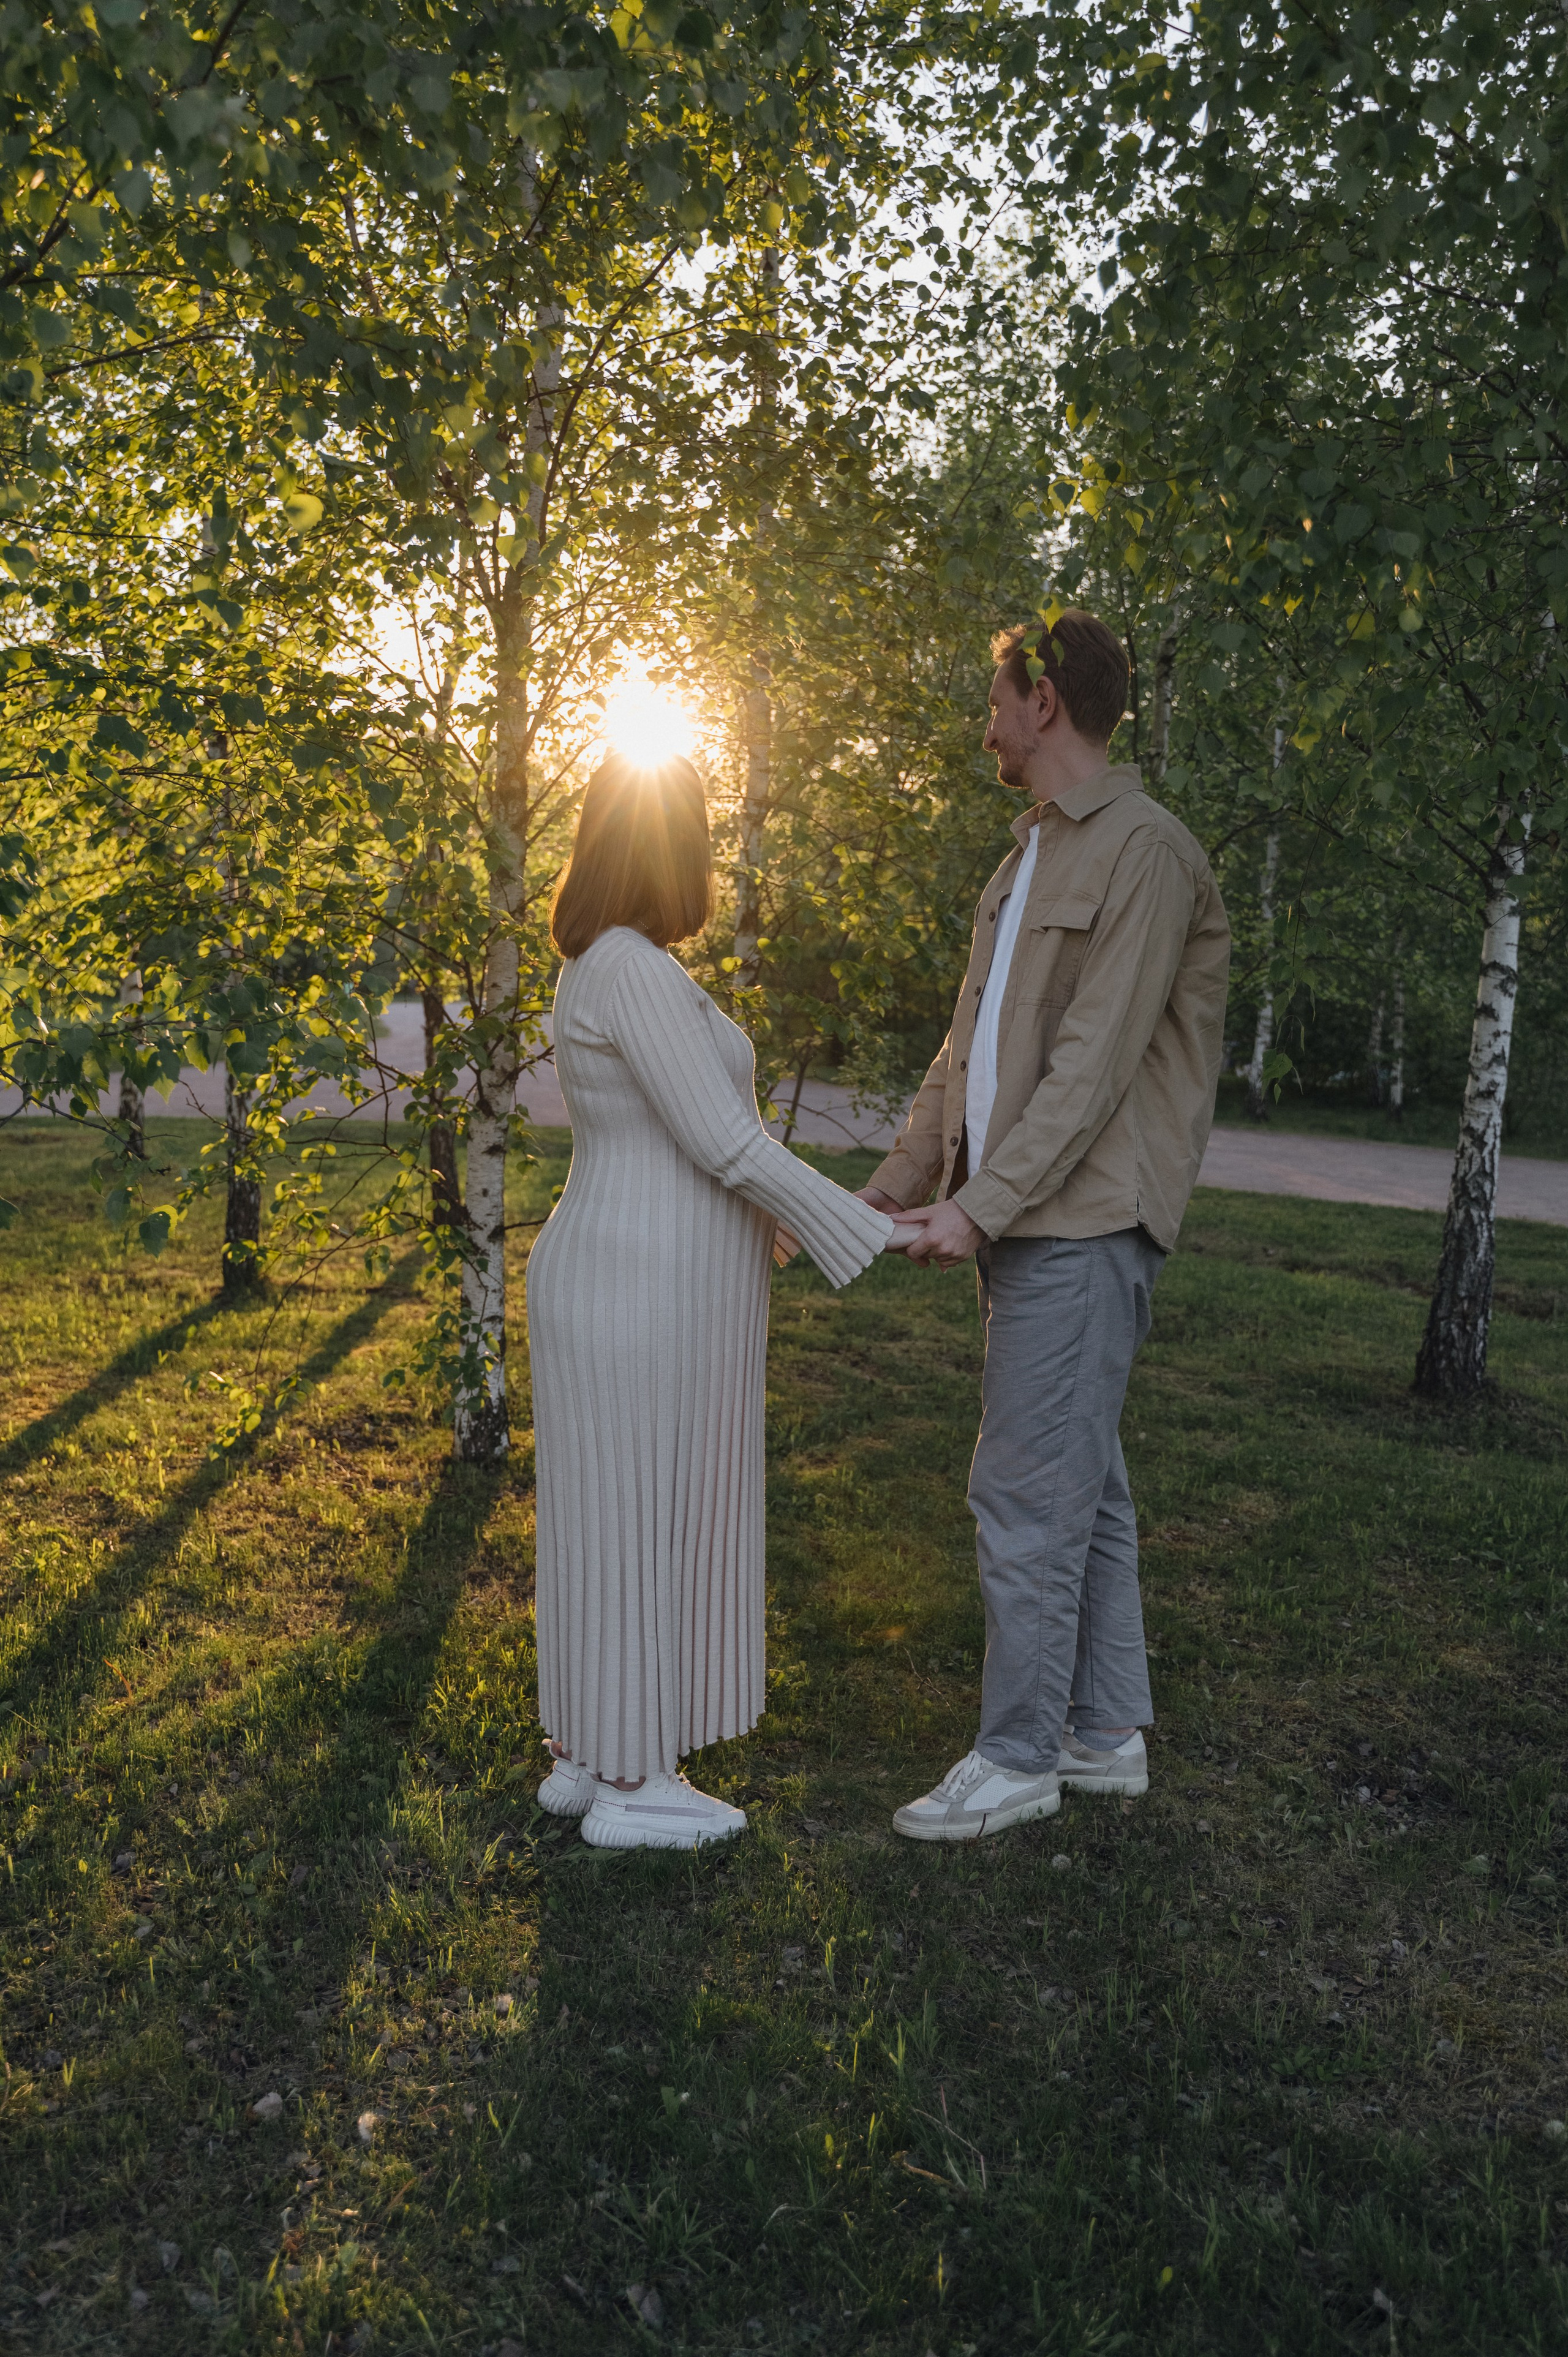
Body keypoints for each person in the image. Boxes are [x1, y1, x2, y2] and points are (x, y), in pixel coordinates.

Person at [861, 612, 1231, 1842]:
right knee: (1086, 1484)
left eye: (995, 695)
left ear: (1044, 701)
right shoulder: (1021, 862)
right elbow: (964, 1054)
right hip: (1028, 1216)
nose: (985, 719)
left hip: (1080, 1220)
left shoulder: (1145, 855)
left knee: (1021, 1491)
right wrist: (895, 1178)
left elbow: (1089, 1067)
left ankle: (1014, 1757)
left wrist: (979, 1206)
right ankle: (1100, 1731)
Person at [526, 751, 919, 1852]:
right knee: (639, 1521)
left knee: (611, 1522)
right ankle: (638, 1782)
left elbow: (688, 1144)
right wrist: (862, 1224)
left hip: (632, 1278)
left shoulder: (606, 965)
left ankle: (592, 1754)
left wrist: (775, 1221)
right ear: (673, 849)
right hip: (634, 1291)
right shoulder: (633, 972)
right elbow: (721, 1139)